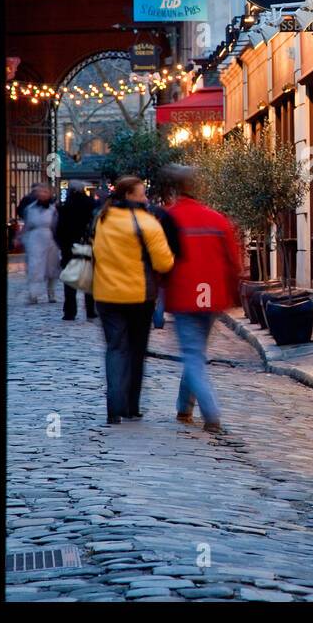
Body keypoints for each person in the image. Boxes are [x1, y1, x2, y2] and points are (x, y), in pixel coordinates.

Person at [161, 164, 242, 435]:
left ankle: (211, 412)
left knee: (192, 356)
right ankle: (184, 408)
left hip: (184, 294)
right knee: (195, 354)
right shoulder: (217, 219)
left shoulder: (169, 219)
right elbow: (234, 261)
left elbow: (161, 261)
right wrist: (233, 293)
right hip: (211, 295)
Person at [92, 176, 175, 424]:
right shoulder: (146, 222)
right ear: (129, 195)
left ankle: (114, 408)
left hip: (106, 295)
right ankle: (131, 406)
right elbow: (164, 262)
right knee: (136, 351)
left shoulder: (102, 219)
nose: (146, 199)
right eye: (142, 194)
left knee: (115, 348)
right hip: (139, 296)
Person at [56, 186, 100, 320]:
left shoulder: (65, 208)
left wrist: (63, 246)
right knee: (89, 278)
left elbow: (59, 231)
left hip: (70, 248)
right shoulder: (91, 206)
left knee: (70, 279)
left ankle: (70, 311)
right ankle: (90, 309)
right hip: (88, 246)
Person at [141, 191, 181, 330]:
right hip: (162, 256)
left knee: (153, 290)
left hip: (149, 259)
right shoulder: (166, 216)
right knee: (161, 290)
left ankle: (156, 316)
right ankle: (158, 317)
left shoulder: (145, 218)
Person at [21, 183, 60, 304]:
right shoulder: (30, 209)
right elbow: (27, 225)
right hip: (35, 238)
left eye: (45, 191)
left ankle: (51, 293)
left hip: (50, 238)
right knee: (35, 266)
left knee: (52, 267)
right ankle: (33, 293)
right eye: (40, 191)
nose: (42, 194)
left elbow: (57, 225)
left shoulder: (54, 209)